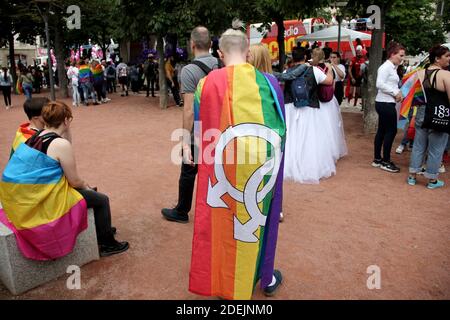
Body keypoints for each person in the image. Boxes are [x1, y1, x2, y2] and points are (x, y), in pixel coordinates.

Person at [189, 20, 285, 300]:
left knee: (221, 222)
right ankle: (260, 279)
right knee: (256, 222)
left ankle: (224, 282)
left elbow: (200, 130)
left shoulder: (205, 84)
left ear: (220, 53)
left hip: (222, 165)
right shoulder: (270, 83)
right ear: (247, 52)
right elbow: (280, 128)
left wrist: (200, 159)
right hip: (260, 164)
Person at [0, 101, 129, 260]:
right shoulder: (59, 144)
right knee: (101, 199)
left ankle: (102, 228)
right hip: (38, 202)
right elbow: (74, 181)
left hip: (21, 197)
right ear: (66, 121)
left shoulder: (35, 135)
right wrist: (86, 185)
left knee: (89, 194)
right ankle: (107, 244)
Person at [161, 26, 219, 223]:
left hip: (201, 129)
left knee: (189, 167)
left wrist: (184, 140)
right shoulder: (223, 65)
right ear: (211, 44)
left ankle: (182, 210)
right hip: (223, 125)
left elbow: (188, 109)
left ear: (192, 44)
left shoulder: (189, 70)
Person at [273, 47, 346, 184]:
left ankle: (289, 165)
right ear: (306, 57)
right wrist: (330, 68)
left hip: (290, 107)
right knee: (309, 138)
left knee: (292, 137)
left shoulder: (286, 72)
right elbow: (329, 81)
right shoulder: (313, 70)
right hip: (309, 108)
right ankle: (309, 166)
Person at [408, 44, 450, 189]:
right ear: (438, 59)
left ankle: (412, 176)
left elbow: (413, 94)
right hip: (439, 114)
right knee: (436, 149)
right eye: (447, 56)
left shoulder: (420, 73)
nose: (449, 59)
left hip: (421, 113)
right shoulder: (446, 75)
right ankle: (432, 180)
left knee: (418, 146)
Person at [372, 42, 406, 173]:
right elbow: (379, 84)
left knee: (382, 130)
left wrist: (397, 92)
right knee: (391, 131)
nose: (402, 58)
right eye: (401, 55)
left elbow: (388, 84)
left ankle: (378, 159)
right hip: (385, 103)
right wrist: (395, 92)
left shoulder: (391, 67)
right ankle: (385, 161)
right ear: (392, 54)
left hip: (385, 102)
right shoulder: (386, 67)